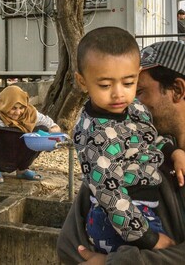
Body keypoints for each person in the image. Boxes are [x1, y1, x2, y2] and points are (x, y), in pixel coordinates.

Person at [57, 38, 185, 264]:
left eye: (137, 88)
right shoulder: (119, 150)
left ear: (177, 89)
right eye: (106, 84)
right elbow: (70, 246)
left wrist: (117, 262)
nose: (125, 99)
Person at [0, 85, 60, 183]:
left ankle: (22, 169)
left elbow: (55, 127)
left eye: (21, 108)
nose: (18, 112)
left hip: (20, 154)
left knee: (42, 129)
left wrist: (47, 135)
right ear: (5, 104)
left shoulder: (31, 113)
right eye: (13, 108)